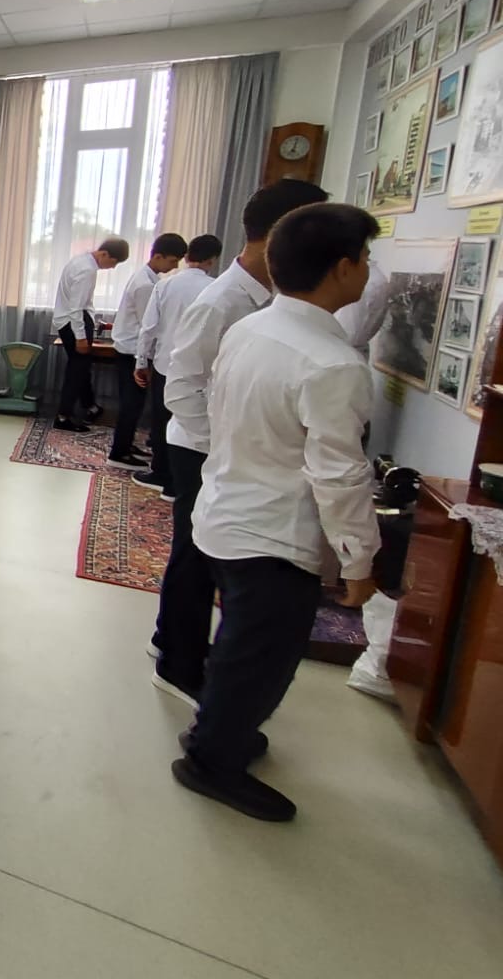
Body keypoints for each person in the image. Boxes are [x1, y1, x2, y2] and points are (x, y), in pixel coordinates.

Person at [173, 204, 381, 822]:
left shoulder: (252, 329)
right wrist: (358, 561)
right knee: (261, 659)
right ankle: (210, 760)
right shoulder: (332, 363)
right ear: (342, 269)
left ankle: (218, 730)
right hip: (273, 533)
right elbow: (339, 475)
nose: (368, 271)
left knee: (241, 645)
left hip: (225, 511)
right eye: (366, 259)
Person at [154, 181, 328, 704]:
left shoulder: (270, 298)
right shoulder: (221, 300)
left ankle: (174, 640)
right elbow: (181, 387)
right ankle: (177, 663)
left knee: (208, 551)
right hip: (199, 446)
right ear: (279, 235)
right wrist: (225, 445)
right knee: (195, 555)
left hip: (227, 446)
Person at [134, 235, 222, 500]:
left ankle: (160, 473)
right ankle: (183, 482)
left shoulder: (165, 285)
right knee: (192, 423)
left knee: (161, 420)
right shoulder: (215, 289)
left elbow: (148, 328)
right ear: (212, 260)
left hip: (164, 363)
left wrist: (141, 362)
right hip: (200, 368)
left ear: (187, 256)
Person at [107, 233, 187, 469]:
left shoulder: (147, 278)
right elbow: (148, 325)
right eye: (172, 261)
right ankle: (119, 453)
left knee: (134, 403)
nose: (175, 267)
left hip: (131, 348)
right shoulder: (146, 284)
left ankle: (126, 445)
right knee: (131, 404)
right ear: (158, 256)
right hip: (131, 350)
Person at [51, 238, 129, 431]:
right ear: (104, 254)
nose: (112, 267)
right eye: (113, 262)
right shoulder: (87, 270)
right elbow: (76, 308)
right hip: (74, 322)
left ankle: (91, 406)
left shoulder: (79, 261)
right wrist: (81, 337)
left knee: (81, 368)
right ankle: (63, 417)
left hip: (66, 320)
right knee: (77, 371)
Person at [335, 258, 391, 355]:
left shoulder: (362, 280)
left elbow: (348, 332)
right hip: (348, 349)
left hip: (344, 351)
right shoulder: (376, 278)